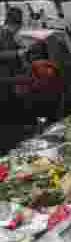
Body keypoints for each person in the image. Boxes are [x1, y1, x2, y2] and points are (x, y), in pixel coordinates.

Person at [0, 8, 29, 152]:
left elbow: (22, 54)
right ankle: (6, 148)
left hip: (12, 82)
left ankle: (14, 145)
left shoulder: (12, 35)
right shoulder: (1, 33)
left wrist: (21, 45)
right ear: (13, 23)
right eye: (17, 26)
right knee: (6, 119)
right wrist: (16, 53)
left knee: (14, 115)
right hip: (3, 83)